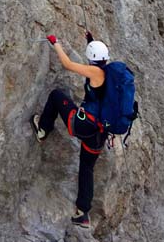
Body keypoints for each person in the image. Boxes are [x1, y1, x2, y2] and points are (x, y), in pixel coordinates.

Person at [30, 30, 109, 229]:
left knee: (57, 96)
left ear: (93, 59)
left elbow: (68, 65)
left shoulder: (95, 72)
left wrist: (55, 43)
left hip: (84, 125)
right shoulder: (110, 72)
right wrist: (91, 41)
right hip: (100, 133)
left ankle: (43, 130)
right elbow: (95, 59)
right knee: (87, 168)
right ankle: (83, 213)